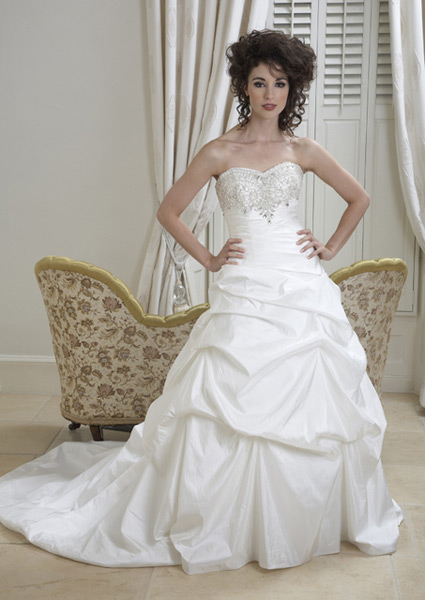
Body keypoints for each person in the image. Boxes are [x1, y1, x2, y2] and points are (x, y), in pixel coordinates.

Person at [0, 29, 401, 575]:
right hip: (244, 281)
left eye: (280, 83)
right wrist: (210, 258)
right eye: (259, 82)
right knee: (229, 389)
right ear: (243, 86)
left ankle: (303, 515)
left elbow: (359, 197)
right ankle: (224, 514)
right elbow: (169, 211)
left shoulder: (302, 150)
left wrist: (328, 247)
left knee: (311, 395)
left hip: (300, 283)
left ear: (292, 88)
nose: (270, 94)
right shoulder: (218, 151)